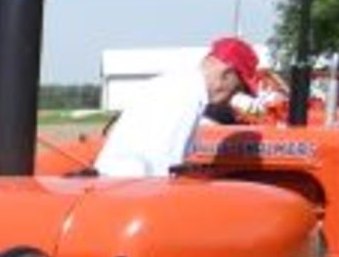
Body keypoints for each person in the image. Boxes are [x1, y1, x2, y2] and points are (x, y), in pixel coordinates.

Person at [94, 37, 260, 178]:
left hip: (116, 187)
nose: (232, 98)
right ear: (227, 74)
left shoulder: (171, 83)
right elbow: (166, 168)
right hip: (132, 194)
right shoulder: (188, 96)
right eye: (238, 89)